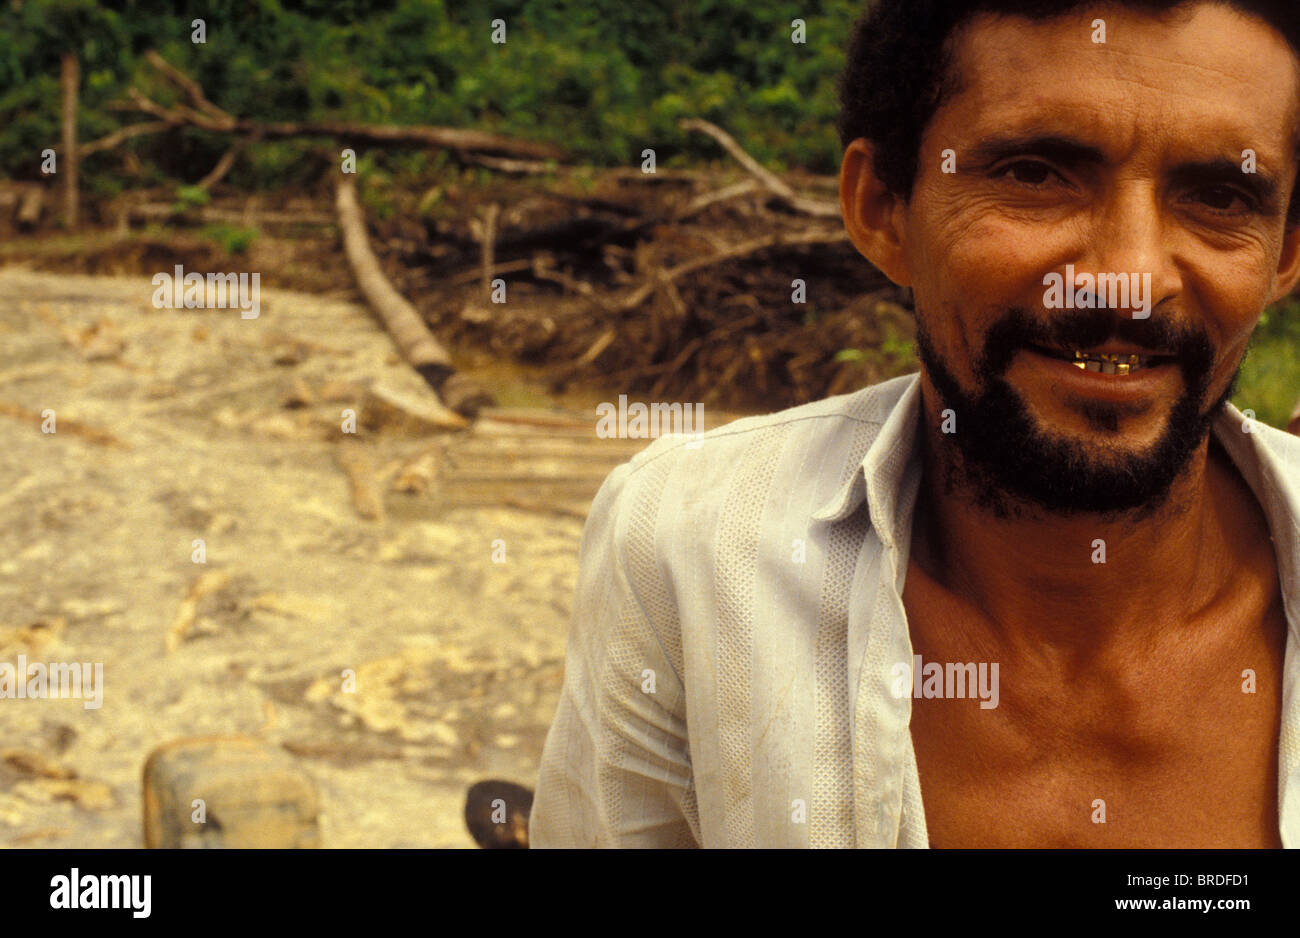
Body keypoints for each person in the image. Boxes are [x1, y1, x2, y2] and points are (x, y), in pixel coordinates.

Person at [531, 0, 1300, 848]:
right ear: (883, 209)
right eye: (1036, 174)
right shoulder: (691, 551)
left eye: (1221, 196)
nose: (1128, 277)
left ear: (1286, 255)